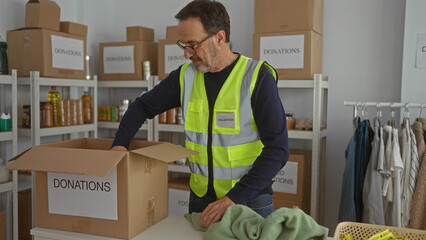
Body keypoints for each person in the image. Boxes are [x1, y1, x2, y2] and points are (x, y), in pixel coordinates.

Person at [111, 0, 289, 229]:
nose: (186, 54)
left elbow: (278, 149)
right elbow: (141, 107)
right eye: (183, 45)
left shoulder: (256, 77)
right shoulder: (185, 77)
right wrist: (119, 145)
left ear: (220, 38)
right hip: (201, 201)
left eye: (193, 44)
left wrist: (231, 199)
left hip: (249, 202)